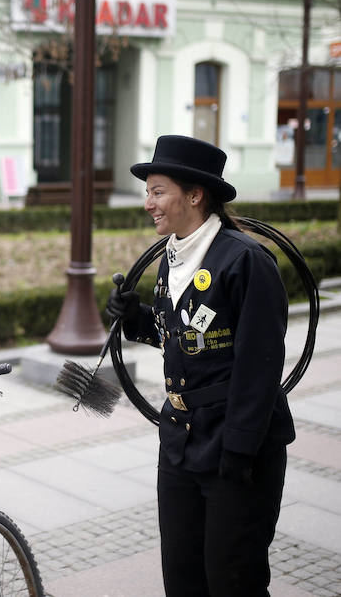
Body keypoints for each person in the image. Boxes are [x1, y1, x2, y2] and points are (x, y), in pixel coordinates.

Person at [106, 135, 294, 597]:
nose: (147, 203)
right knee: (183, 578)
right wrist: (137, 321)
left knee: (233, 581)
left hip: (235, 449)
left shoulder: (246, 260)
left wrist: (240, 450)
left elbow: (260, 366)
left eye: (157, 191)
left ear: (195, 195)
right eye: (147, 192)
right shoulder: (175, 255)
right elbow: (188, 338)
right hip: (180, 444)